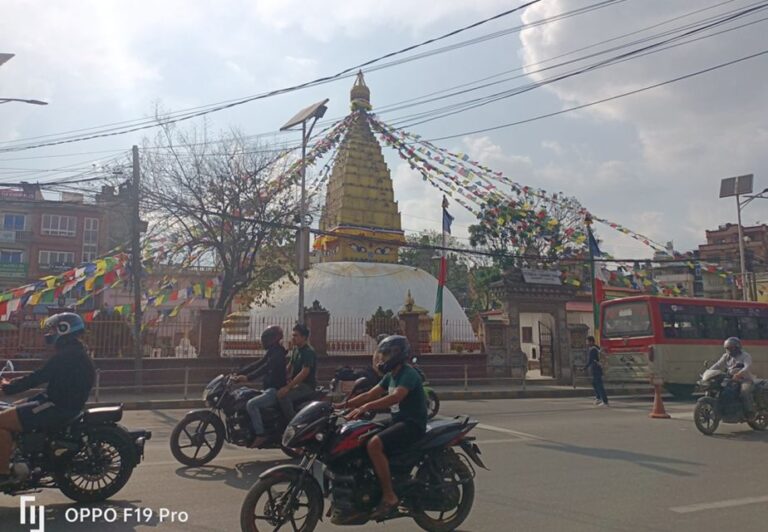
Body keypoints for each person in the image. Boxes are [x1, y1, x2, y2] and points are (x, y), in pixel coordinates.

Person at [338, 335, 428, 520]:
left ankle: (389, 496)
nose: (383, 359)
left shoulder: (409, 374)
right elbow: (371, 394)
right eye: (383, 354)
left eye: (386, 354)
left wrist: (366, 407)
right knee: (361, 434)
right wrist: (342, 405)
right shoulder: (390, 375)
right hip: (398, 420)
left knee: (374, 444)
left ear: (397, 354)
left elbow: (396, 397)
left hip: (412, 424)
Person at [0, 313, 95, 485]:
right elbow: (49, 381)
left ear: (64, 329)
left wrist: (9, 387)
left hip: (58, 406)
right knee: (10, 408)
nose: (49, 333)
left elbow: (39, 376)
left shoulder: (68, 355)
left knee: (1, 421)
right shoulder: (73, 352)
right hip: (57, 402)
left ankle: (4, 473)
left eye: (53, 329)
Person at [231, 325, 287, 447]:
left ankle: (261, 434)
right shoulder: (272, 352)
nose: (263, 342)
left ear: (272, 339)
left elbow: (264, 368)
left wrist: (248, 378)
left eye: (266, 339)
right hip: (267, 389)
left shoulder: (278, 353)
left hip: (274, 390)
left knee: (251, 404)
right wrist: (240, 372)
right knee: (242, 393)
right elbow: (258, 363)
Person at [277, 323, 317, 421]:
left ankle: (293, 423)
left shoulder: (308, 351)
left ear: (304, 337)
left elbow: (305, 372)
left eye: (296, 335)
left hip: (306, 386)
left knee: (284, 397)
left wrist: (288, 388)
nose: (293, 338)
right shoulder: (296, 349)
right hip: (296, 385)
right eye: (292, 335)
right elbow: (289, 365)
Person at [708, 337, 755, 416]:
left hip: (745, 380)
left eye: (731, 348)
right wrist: (708, 372)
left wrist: (739, 374)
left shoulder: (745, 356)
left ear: (737, 347)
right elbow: (718, 365)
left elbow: (747, 367)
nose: (729, 350)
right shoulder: (726, 356)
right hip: (730, 379)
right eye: (727, 348)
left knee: (744, 392)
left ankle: (750, 412)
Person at [584, 336, 609, 407]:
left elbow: (590, 360)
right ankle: (598, 398)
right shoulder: (597, 348)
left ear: (591, 341)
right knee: (594, 383)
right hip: (597, 369)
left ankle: (605, 401)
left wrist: (584, 368)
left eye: (587, 341)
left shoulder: (593, 349)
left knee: (599, 385)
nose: (587, 343)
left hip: (596, 370)